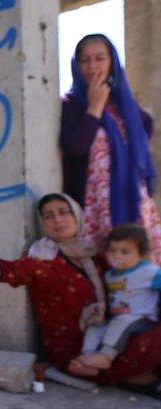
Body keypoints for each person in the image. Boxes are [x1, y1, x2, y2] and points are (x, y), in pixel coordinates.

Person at [0, 193, 161, 399]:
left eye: (64, 212)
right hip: (76, 354)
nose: (58, 220)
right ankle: (136, 376)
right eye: (49, 216)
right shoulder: (44, 258)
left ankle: (136, 373)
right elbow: (12, 271)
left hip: (111, 338)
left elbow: (134, 281)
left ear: (78, 216)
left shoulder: (95, 254)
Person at [60, 33, 161, 263]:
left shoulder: (127, 108)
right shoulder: (70, 106)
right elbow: (74, 147)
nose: (92, 66)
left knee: (140, 273)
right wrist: (94, 108)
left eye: (99, 58)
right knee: (103, 267)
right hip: (94, 202)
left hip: (131, 197)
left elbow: (144, 133)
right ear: (76, 65)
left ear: (112, 62)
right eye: (85, 60)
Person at [78, 225, 160, 370]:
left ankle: (105, 356)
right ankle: (87, 356)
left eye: (125, 252)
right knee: (95, 328)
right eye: (112, 251)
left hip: (143, 319)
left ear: (141, 254)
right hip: (117, 319)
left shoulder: (149, 271)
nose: (117, 256)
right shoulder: (109, 276)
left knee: (122, 321)